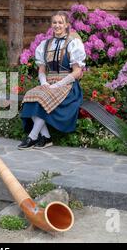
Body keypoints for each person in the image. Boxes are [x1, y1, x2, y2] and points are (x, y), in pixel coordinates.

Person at [18, 11, 86, 150]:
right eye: (54, 22)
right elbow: (42, 70)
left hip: (68, 85)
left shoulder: (73, 43)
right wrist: (44, 83)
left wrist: (59, 84)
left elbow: (77, 72)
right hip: (49, 82)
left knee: (43, 98)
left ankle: (32, 136)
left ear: (67, 25)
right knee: (30, 96)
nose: (57, 25)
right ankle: (46, 138)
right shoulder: (45, 44)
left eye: (60, 22)